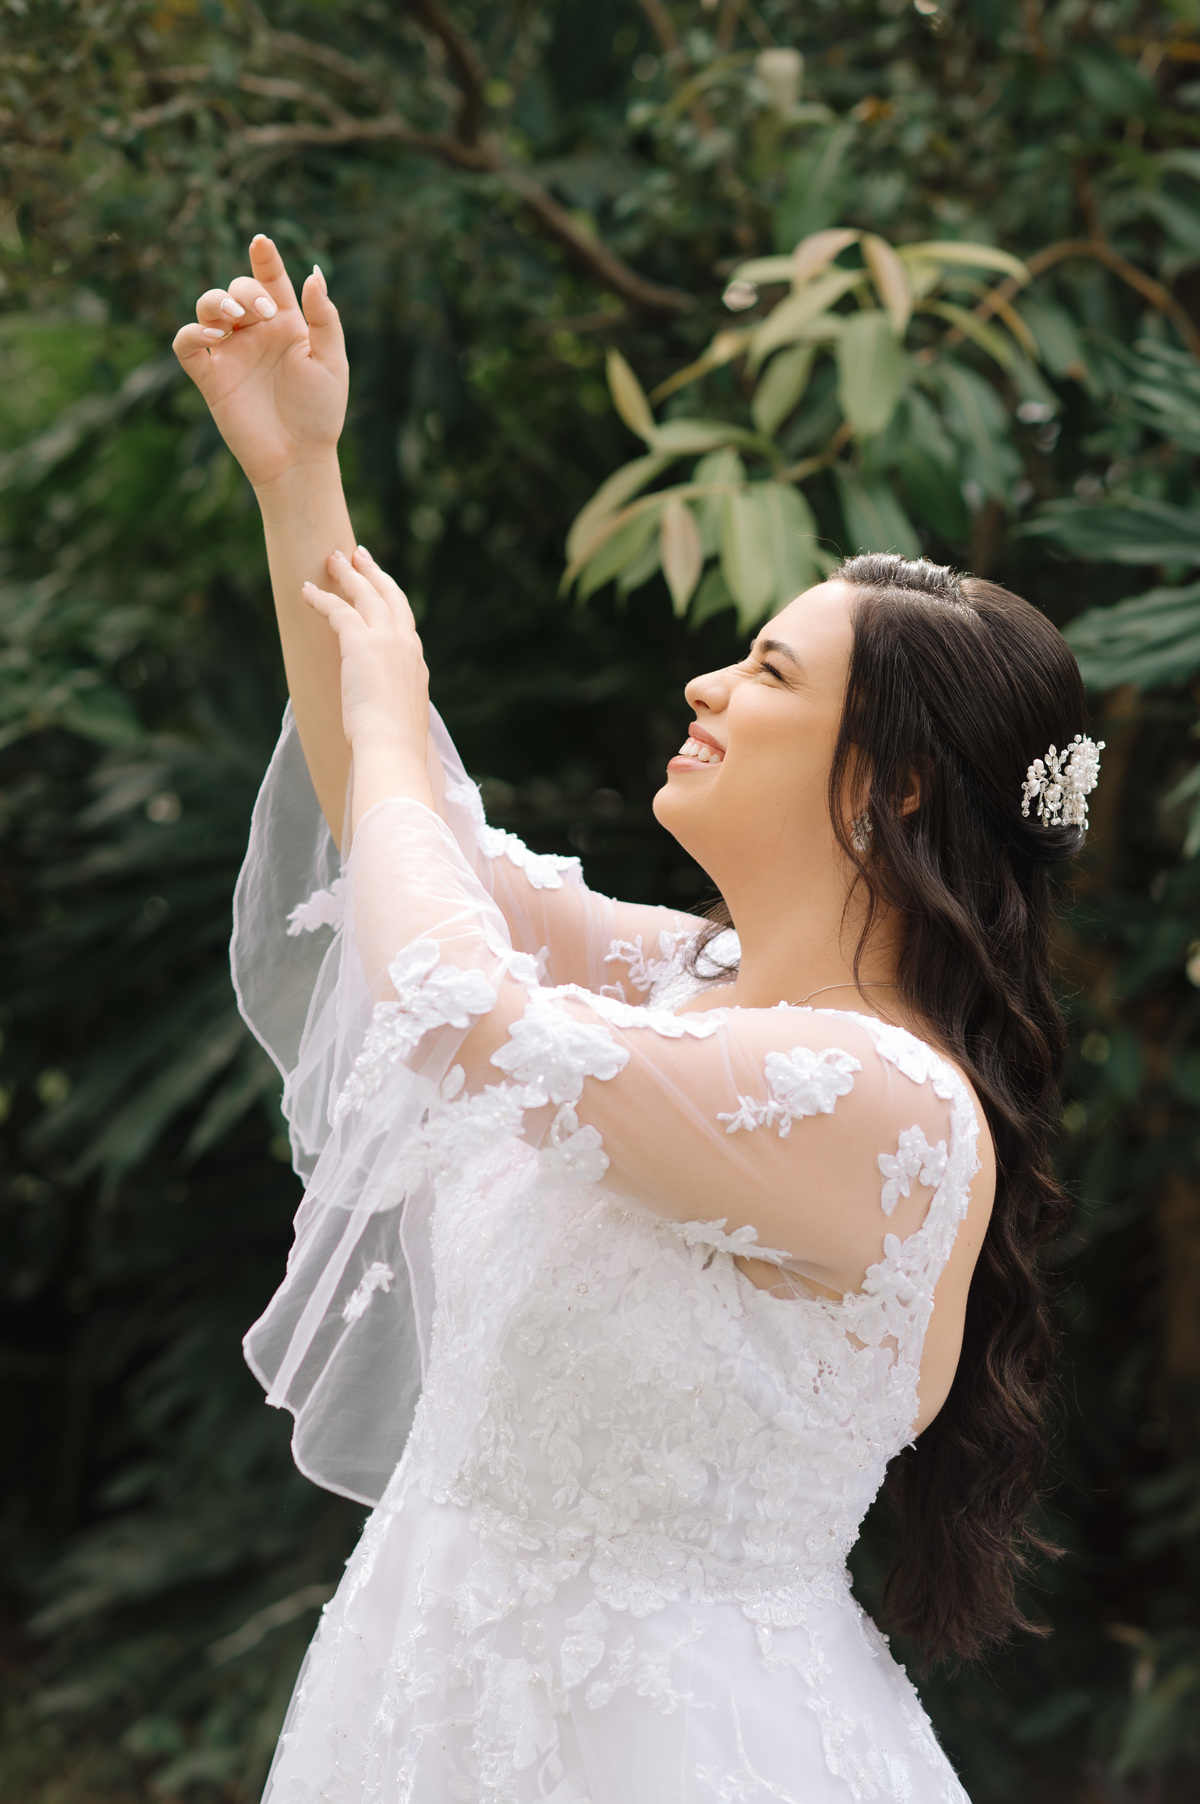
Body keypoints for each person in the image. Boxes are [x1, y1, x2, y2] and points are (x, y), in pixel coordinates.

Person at [174, 238, 1099, 1804]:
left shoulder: (882, 1101)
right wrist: (298, 475)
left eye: (769, 671)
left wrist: (397, 724)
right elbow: (409, 843)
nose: (705, 687)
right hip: (426, 1702)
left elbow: (447, 996)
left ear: (893, 786)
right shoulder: (687, 987)